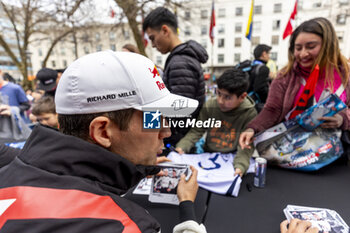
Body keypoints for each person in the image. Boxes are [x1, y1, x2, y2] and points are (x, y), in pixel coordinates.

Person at [0, 51, 206, 233]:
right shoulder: (126, 225)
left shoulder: (8, 173)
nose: (166, 131)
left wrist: (130, 170)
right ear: (102, 132)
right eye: (153, 118)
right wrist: (187, 209)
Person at [240, 17, 350, 149]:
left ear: (328, 45)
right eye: (298, 48)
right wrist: (253, 128)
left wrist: (342, 119)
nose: (303, 54)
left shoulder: (346, 75)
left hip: (336, 155)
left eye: (311, 47)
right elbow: (272, 109)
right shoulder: (285, 76)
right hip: (293, 152)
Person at [143, 7, 208, 146]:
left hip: (179, 139)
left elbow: (179, 111)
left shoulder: (180, 62)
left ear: (165, 30)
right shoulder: (181, 58)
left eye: (152, 38)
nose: (153, 45)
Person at [176, 68, 257, 177]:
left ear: (242, 97)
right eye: (218, 93)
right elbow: (197, 130)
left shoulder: (250, 113)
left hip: (232, 157)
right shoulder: (210, 105)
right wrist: (182, 147)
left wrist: (240, 166)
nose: (220, 101)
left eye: (227, 97)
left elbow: (246, 146)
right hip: (208, 154)